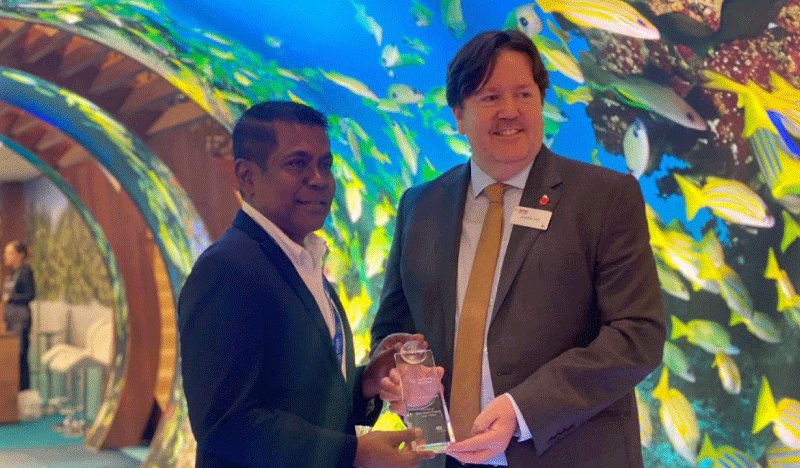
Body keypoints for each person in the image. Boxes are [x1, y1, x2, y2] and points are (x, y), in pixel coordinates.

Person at [372, 30, 665, 468]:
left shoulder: (604, 197)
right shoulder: (420, 205)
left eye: (524, 94)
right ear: (458, 115)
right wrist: (397, 375)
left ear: (541, 102)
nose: (509, 111)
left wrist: (523, 410)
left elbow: (637, 334)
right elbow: (394, 330)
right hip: (446, 457)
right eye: (490, 97)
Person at [178, 101, 434, 468]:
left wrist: (366, 383)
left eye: (325, 164)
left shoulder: (303, 259)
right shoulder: (227, 269)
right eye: (297, 164)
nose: (318, 179)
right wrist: (353, 452)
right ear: (247, 176)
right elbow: (225, 423)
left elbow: (296, 396)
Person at [2, 240, 36, 391]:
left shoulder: (25, 271)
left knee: (20, 356)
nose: (6, 256)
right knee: (12, 356)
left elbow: (31, 294)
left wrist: (11, 298)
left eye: (10, 253)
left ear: (20, 255)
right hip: (10, 318)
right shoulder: (12, 273)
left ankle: (23, 392)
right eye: (5, 253)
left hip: (20, 319)